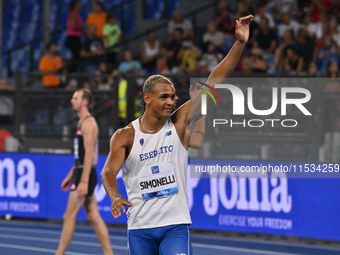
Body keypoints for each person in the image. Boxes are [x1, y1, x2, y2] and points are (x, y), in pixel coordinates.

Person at [101, 15, 253, 255]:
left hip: (175, 226)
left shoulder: (179, 123)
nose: (171, 102)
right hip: (140, 228)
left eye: (173, 97)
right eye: (164, 97)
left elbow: (214, 81)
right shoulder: (125, 135)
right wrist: (114, 196)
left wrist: (239, 44)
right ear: (147, 99)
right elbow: (108, 171)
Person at [56, 89, 113, 255]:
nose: (72, 101)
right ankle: (109, 253)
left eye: (75, 98)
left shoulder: (88, 123)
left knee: (69, 216)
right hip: (82, 172)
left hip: (84, 174)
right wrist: (69, 175)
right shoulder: (82, 122)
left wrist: (83, 181)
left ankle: (59, 253)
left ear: (85, 102)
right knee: (94, 216)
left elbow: (89, 154)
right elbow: (80, 155)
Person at [65, 1, 83, 72]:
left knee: (76, 56)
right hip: (73, 38)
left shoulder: (76, 14)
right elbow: (73, 26)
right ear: (75, 6)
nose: (80, 6)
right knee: (76, 57)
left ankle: (73, 71)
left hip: (75, 37)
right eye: (79, 4)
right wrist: (81, 28)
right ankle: (71, 71)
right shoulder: (74, 14)